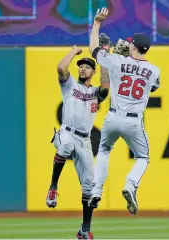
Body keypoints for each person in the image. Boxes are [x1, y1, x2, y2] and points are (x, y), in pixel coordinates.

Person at [87, 8, 161, 215]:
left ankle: (96, 190)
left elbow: (93, 48)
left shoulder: (117, 61)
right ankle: (130, 185)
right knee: (143, 158)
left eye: (130, 43)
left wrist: (97, 23)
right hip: (133, 122)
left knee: (104, 151)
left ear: (134, 46)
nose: (127, 44)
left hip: (112, 117)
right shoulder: (155, 71)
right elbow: (153, 86)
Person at [46, 44, 110, 239]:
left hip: (85, 140)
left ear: (93, 71)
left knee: (90, 187)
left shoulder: (95, 93)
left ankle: (84, 230)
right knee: (64, 145)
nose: (82, 68)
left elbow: (106, 87)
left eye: (87, 66)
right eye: (81, 65)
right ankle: (53, 188)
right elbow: (60, 68)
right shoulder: (70, 84)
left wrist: (104, 59)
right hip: (67, 131)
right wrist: (74, 52)